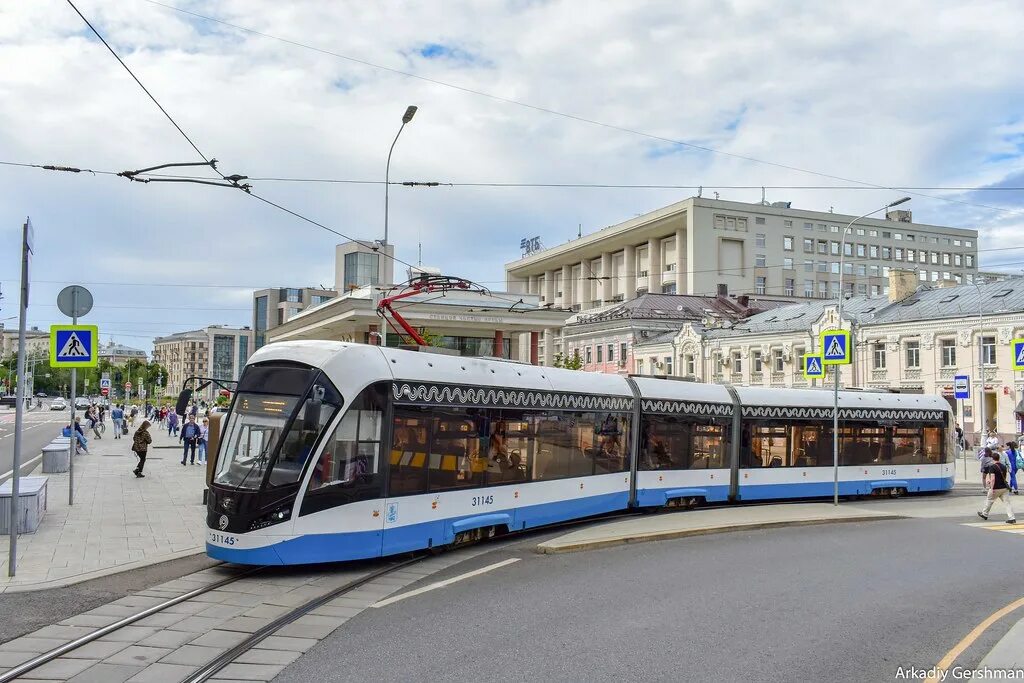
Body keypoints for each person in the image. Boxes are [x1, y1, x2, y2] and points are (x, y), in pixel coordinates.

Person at [979, 451, 1016, 523]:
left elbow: (993, 478)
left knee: (989, 500)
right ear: (999, 458)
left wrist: (991, 488)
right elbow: (1003, 477)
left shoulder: (992, 467)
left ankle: (984, 514)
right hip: (1004, 488)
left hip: (996, 488)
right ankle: (1012, 518)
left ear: (992, 459)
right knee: (1007, 503)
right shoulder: (1004, 466)